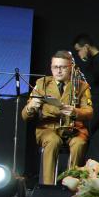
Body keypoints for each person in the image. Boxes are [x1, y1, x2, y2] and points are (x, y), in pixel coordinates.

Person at [21, 51, 94, 185]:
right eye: (55, 67)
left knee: (79, 143)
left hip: (74, 128)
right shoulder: (42, 83)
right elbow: (25, 116)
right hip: (48, 129)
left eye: (63, 67)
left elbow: (89, 112)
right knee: (53, 141)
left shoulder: (82, 86)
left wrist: (75, 111)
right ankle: (47, 186)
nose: (59, 71)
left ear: (71, 67)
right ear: (51, 67)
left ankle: (73, 184)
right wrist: (31, 106)